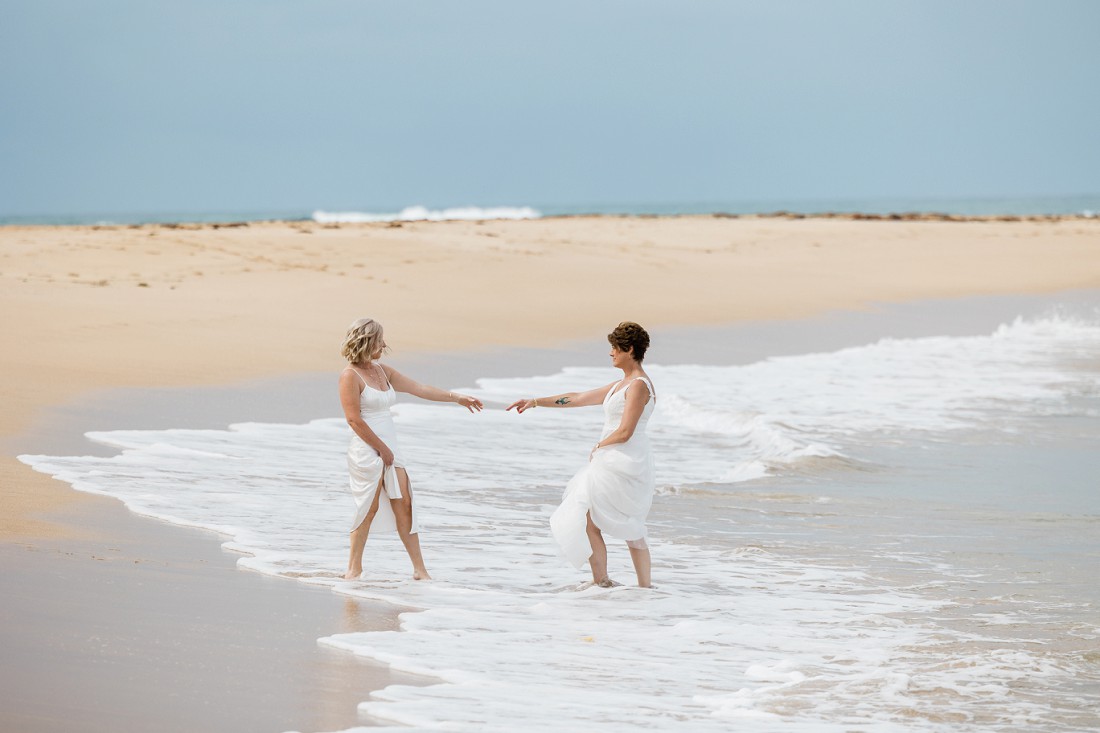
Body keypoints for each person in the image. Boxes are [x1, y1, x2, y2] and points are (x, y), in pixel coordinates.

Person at [507, 322, 656, 588]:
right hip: (608, 462)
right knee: (587, 516)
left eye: (614, 348)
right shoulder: (620, 384)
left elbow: (626, 431)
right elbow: (577, 398)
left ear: (629, 349)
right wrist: (535, 401)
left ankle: (645, 588)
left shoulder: (639, 386)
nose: (611, 353)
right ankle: (602, 581)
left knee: (632, 527)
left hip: (626, 462)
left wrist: (600, 445)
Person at [339, 317, 483, 581]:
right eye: (380, 340)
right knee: (368, 508)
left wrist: (456, 397)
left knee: (404, 504)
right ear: (367, 341)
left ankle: (420, 570)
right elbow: (353, 419)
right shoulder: (350, 376)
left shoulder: (383, 371)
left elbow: (419, 388)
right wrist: (381, 449)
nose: (384, 345)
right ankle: (354, 569)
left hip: (390, 447)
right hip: (366, 447)